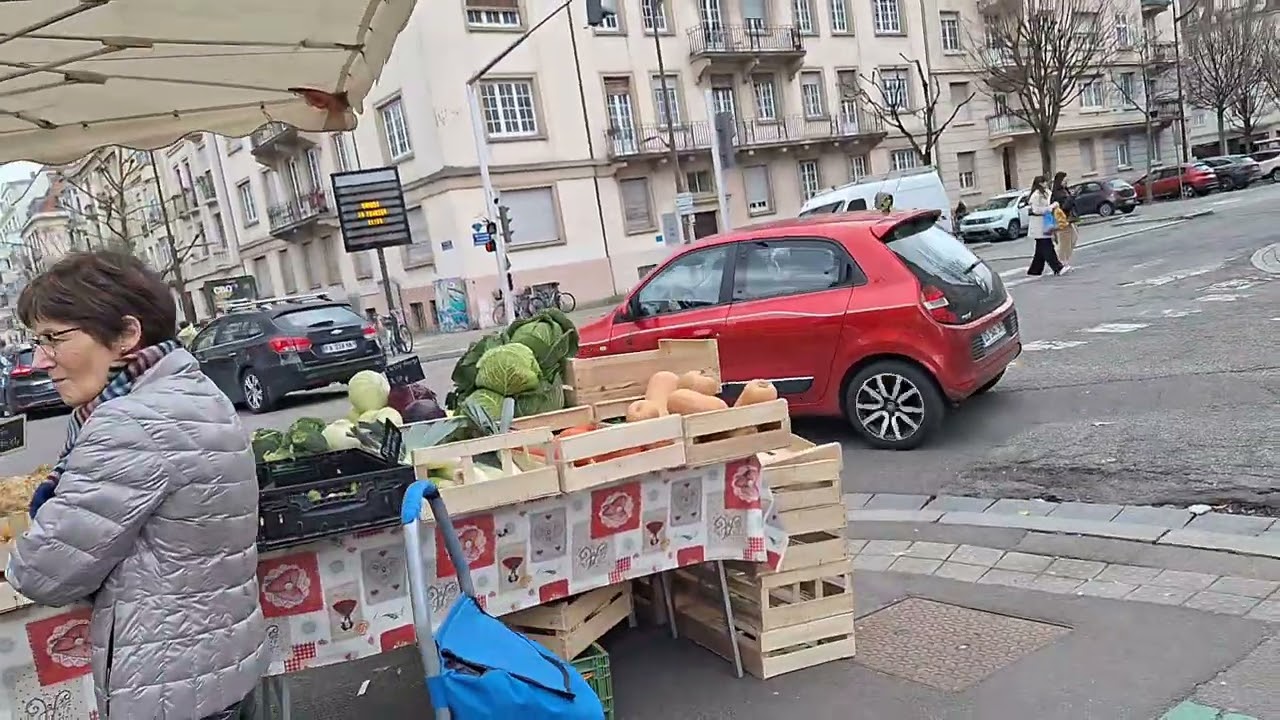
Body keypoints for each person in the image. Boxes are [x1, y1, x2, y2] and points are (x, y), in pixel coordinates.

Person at [6, 251, 268, 720]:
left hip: (166, 689)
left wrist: (49, 499)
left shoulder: (129, 422)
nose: (41, 359)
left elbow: (41, 572)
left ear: (127, 334)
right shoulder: (194, 391)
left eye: (54, 339)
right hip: (219, 668)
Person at [1026, 175, 1069, 276]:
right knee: (1047, 247)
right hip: (1039, 225)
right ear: (1040, 183)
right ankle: (1058, 268)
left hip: (1045, 223)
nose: (1046, 184)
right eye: (1045, 182)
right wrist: (1051, 207)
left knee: (1040, 250)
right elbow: (1036, 210)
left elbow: (1052, 199)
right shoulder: (1036, 195)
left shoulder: (1046, 192)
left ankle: (1035, 270)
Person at [1050, 171, 1079, 264]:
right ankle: (1062, 262)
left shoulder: (1065, 190)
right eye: (1064, 180)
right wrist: (1072, 197)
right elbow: (1065, 206)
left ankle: (1064, 259)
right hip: (1062, 219)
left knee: (1073, 238)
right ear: (1060, 181)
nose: (1066, 181)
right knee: (1064, 241)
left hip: (1068, 218)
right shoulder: (1057, 192)